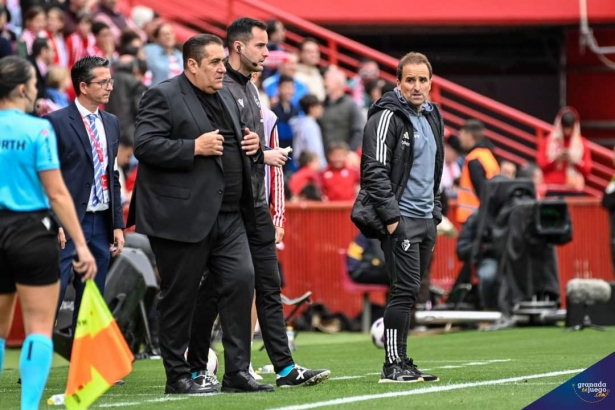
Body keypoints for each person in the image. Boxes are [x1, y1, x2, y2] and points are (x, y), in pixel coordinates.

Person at [187, 17, 330, 390]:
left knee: (269, 285)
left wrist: (273, 202)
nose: (268, 53)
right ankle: (195, 362)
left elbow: (261, 151)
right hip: (226, 209)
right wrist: (260, 153)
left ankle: (284, 368)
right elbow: (218, 145)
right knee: (215, 289)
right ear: (238, 47)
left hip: (255, 207)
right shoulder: (217, 90)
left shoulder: (253, 90)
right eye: (261, 46)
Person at [127, 33, 271, 394]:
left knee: (241, 281)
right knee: (180, 297)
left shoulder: (225, 94)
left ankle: (237, 372)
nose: (223, 69)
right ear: (191, 65)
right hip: (182, 216)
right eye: (214, 63)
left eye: (223, 61)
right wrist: (193, 147)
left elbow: (232, 143)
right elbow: (144, 146)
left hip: (229, 215)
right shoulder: (163, 95)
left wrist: (252, 147)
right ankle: (178, 375)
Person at [0, 55, 97, 410]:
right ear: (23, 88)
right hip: (30, 231)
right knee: (39, 325)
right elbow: (57, 193)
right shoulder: (37, 129)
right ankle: (27, 408)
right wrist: (82, 245)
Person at [352, 52, 443, 383]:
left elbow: (435, 169)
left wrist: (435, 211)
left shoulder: (432, 116)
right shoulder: (386, 117)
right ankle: (392, 365)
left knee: (413, 291)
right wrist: (392, 220)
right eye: (410, 80)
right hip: (401, 218)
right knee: (403, 290)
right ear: (398, 82)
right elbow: (373, 171)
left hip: (425, 219)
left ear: (431, 83)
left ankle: (404, 361)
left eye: (422, 80)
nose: (417, 86)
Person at [45, 56, 125, 334]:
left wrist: (117, 223)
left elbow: (111, 174)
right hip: (66, 224)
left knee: (93, 299)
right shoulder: (54, 122)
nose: (109, 87)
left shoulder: (111, 122)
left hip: (100, 224)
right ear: (83, 86)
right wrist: (54, 221)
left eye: (110, 81)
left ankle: (89, 370)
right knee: (52, 296)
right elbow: (45, 177)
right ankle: (36, 370)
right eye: (102, 82)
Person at [537, 107, 592, 195]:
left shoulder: (582, 143)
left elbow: (587, 169)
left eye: (570, 128)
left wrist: (575, 161)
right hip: (552, 188)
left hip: (574, 189)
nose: (567, 131)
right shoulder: (548, 141)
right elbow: (541, 164)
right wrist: (556, 159)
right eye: (565, 127)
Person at [456, 119, 500, 224]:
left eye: (461, 134)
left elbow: (482, 191)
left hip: (474, 219)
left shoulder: (474, 160)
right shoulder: (488, 156)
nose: (460, 138)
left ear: (469, 136)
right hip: (484, 217)